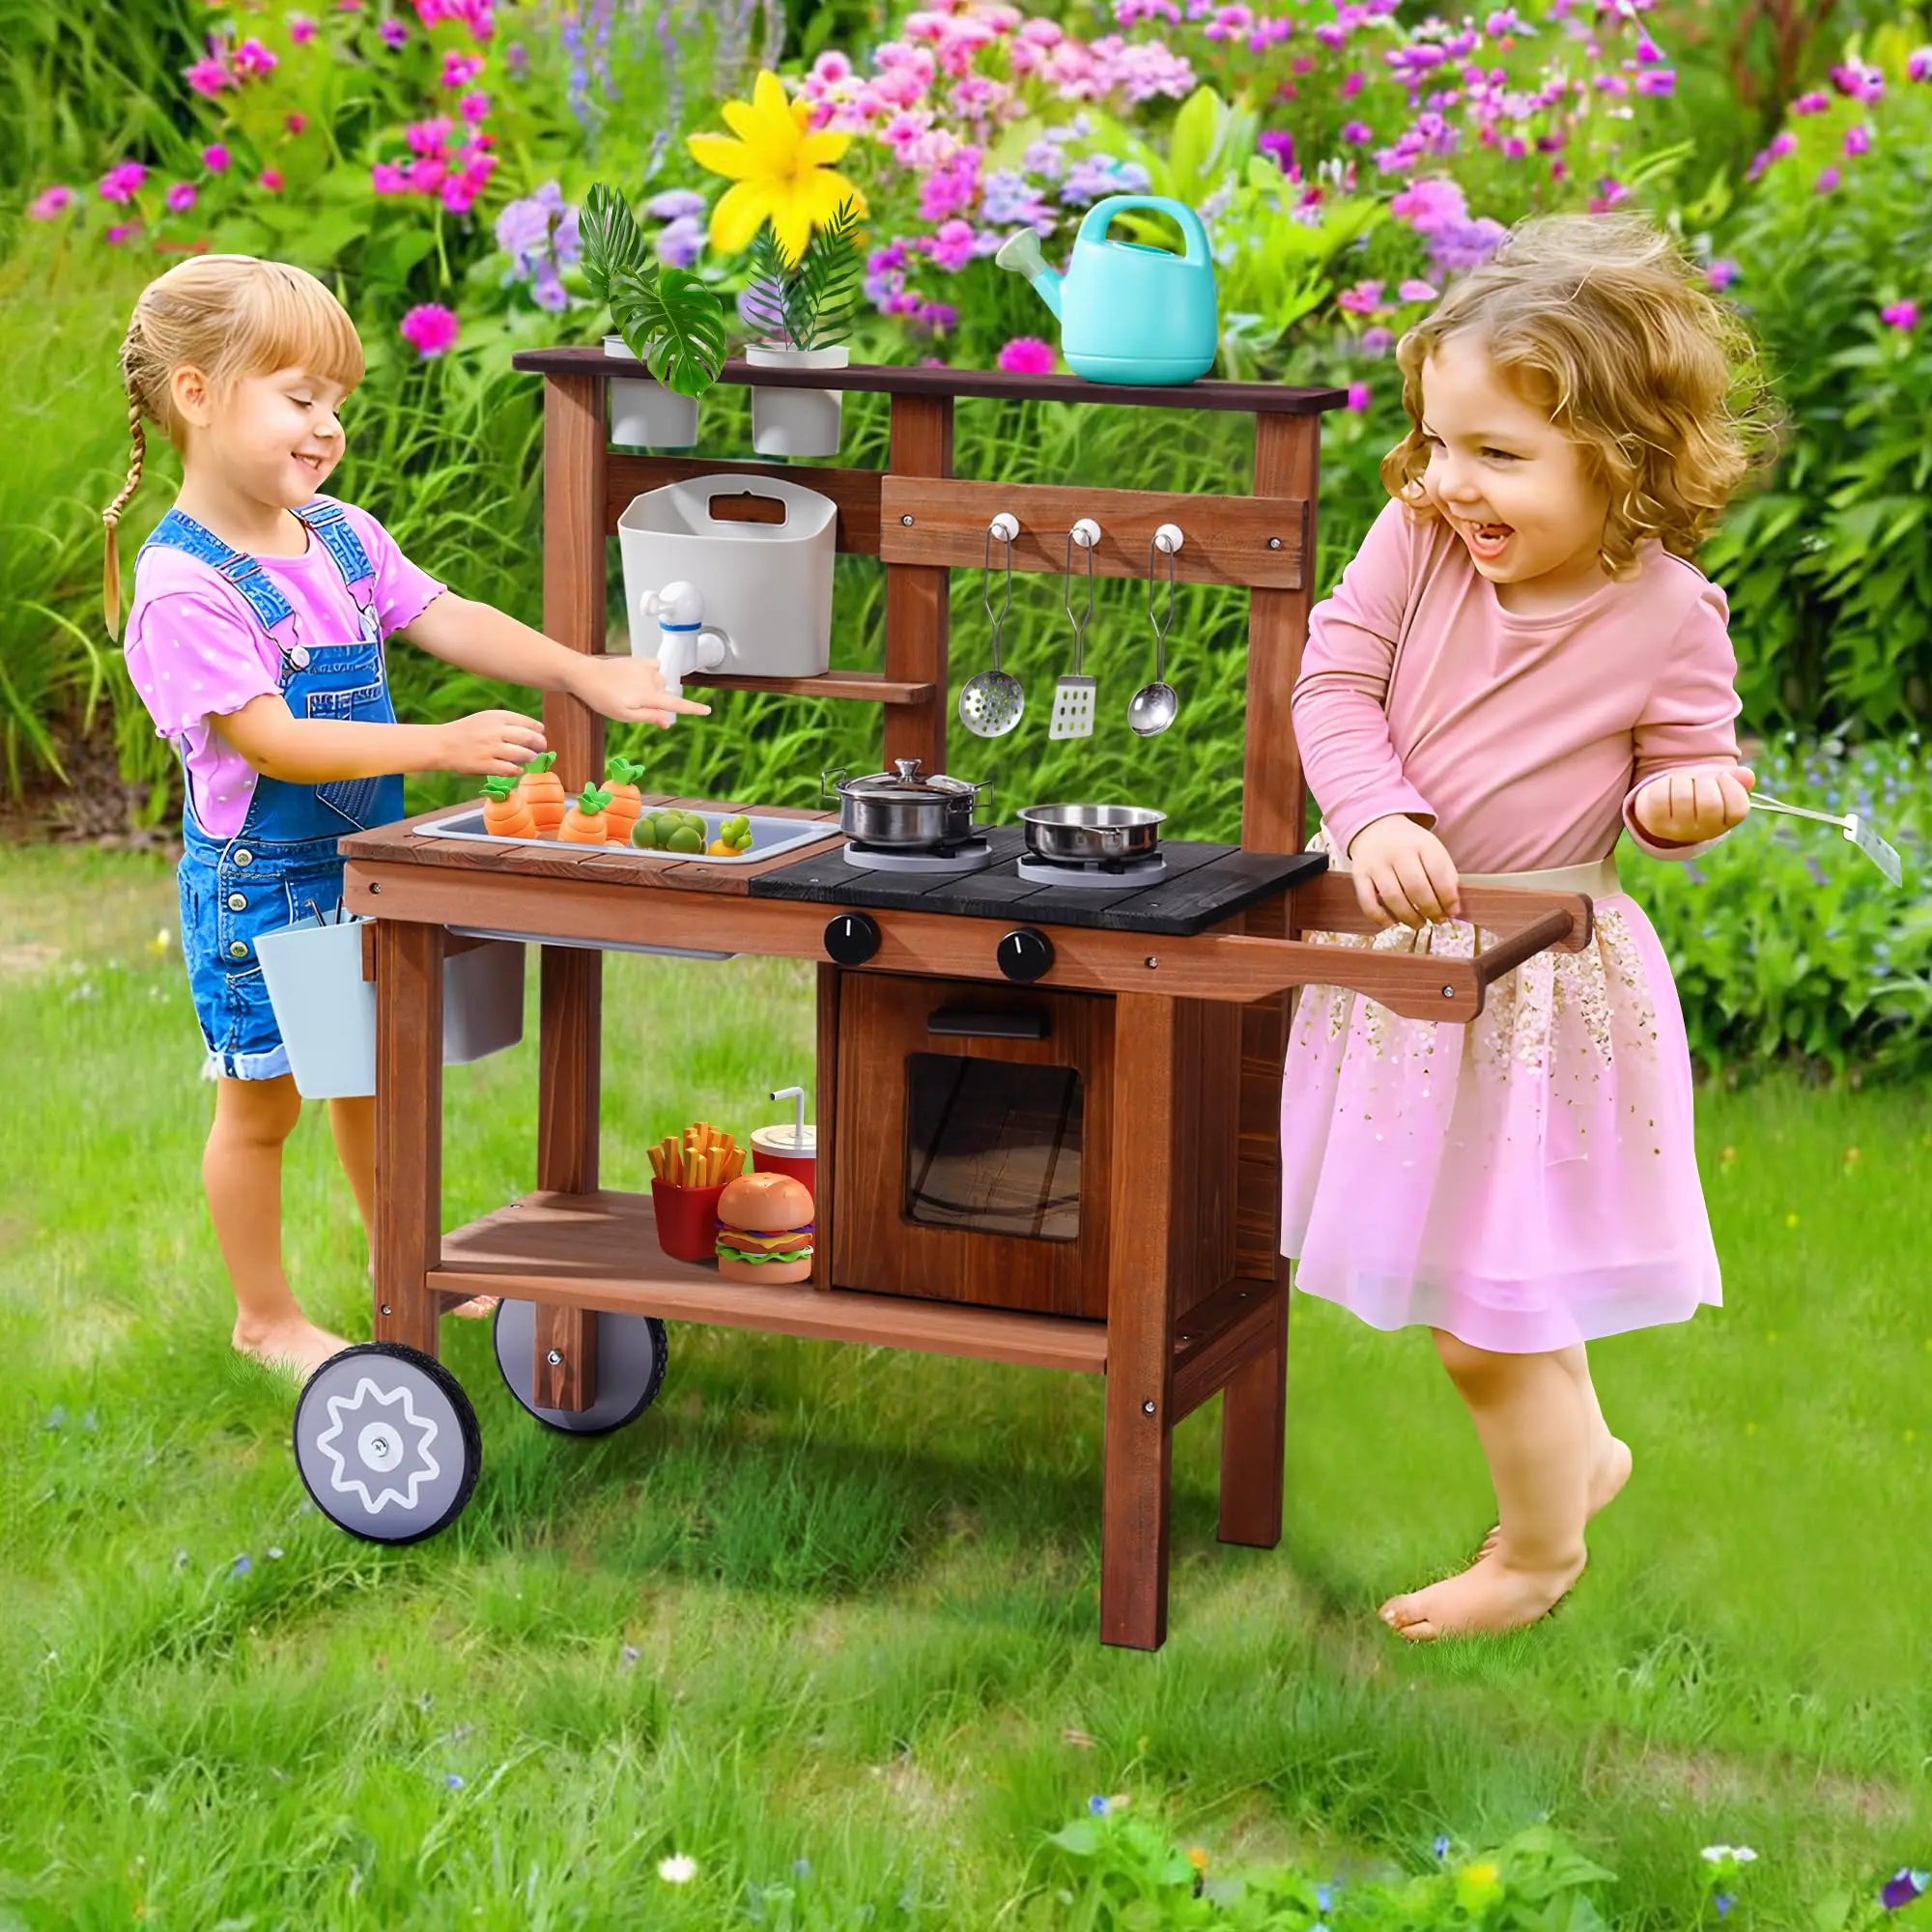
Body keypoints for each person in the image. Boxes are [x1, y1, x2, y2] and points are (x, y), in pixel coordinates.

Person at [1281, 213, 1776, 1640]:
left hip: (1540, 982)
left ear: (1622, 458)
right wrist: (1377, 814)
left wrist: (1682, 802)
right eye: (1439, 442)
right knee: (1499, 1276)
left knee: (1480, 1320)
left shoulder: (1669, 614)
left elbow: (1683, 772)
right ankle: (1581, 1461)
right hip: (1401, 962)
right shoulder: (1418, 542)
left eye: (1497, 454)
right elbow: (1334, 684)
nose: (1451, 481)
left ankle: (1539, 1554)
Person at [103, 255, 707, 1384]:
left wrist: (583, 671)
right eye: (299, 397)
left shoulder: (338, 535)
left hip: (357, 870)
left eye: (336, 401)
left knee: (370, 1081)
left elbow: (446, 612)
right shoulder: (184, 588)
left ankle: (406, 1262)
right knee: (261, 1106)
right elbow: (273, 740)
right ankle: (265, 1317)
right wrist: (436, 746)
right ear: (196, 393)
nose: (327, 425)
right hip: (260, 884)